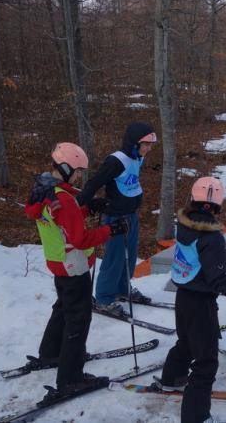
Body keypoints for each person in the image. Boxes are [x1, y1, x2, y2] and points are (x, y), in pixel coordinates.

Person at [155, 177, 226, 423]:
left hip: (184, 296)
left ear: (193, 199)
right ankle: (196, 417)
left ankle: (171, 379)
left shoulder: (184, 225)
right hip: (201, 303)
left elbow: (203, 264)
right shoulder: (213, 237)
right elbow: (216, 279)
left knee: (186, 342)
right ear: (217, 204)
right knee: (206, 362)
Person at [23, 142, 130, 403]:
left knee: (63, 307)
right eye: (79, 171)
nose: (81, 176)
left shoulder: (45, 192)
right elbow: (81, 239)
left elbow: (59, 218)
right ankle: (71, 377)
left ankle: (50, 352)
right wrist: (110, 231)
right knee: (78, 319)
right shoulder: (64, 198)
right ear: (66, 167)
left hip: (58, 261)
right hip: (74, 263)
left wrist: (88, 208)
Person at [76, 122, 158, 314]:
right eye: (146, 144)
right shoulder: (116, 161)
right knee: (114, 258)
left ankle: (122, 289)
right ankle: (104, 298)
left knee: (129, 258)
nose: (149, 148)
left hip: (131, 215)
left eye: (151, 144)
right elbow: (95, 182)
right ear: (134, 143)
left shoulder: (137, 157)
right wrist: (78, 203)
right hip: (115, 218)